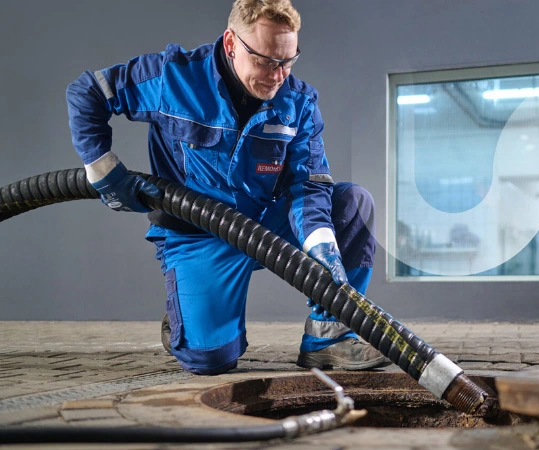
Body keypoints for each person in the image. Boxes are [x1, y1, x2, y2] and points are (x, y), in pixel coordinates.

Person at [66, 0, 388, 375]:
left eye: (287, 61)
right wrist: (104, 170)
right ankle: (186, 314)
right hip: (197, 234)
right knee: (210, 360)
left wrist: (322, 246)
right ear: (232, 43)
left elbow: (309, 184)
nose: (277, 75)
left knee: (352, 202)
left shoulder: (298, 102)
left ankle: (327, 338)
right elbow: (88, 91)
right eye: (266, 61)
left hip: (266, 225)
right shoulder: (175, 79)